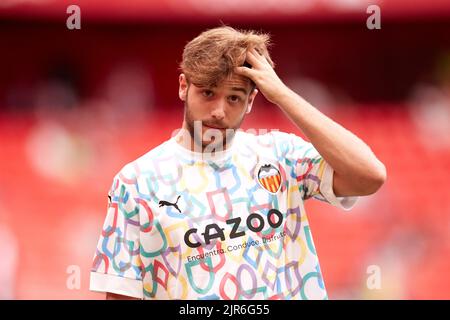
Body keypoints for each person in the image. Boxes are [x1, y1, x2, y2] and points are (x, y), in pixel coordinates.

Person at [89, 26, 386, 300]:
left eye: (234, 98)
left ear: (252, 100)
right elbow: (120, 292)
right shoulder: (136, 181)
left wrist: (281, 94)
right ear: (183, 86)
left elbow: (369, 175)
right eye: (208, 92)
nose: (219, 111)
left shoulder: (280, 154)